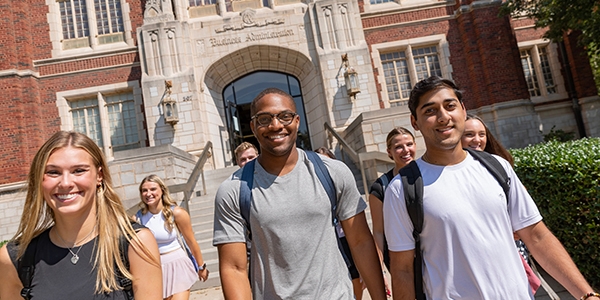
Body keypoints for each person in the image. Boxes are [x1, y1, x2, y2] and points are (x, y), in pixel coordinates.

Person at [383, 75, 599, 300]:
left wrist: (586, 295)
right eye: (430, 111)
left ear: (463, 110)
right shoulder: (402, 189)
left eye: (450, 106)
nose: (443, 117)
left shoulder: (498, 167)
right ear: (415, 122)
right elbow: (403, 270)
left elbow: (537, 237)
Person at [213, 88, 386, 299]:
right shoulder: (233, 190)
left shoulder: (332, 172)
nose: (276, 125)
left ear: (296, 121)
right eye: (264, 119)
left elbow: (360, 242)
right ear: (253, 126)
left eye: (284, 116)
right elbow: (234, 268)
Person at [0, 131, 162, 299]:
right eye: (53, 172)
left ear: (99, 176)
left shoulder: (135, 243)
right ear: (40, 180)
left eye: (78, 170)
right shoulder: (16, 259)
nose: (66, 183)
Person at [136, 174, 209, 300]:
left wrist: (201, 266)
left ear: (162, 190)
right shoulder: (138, 218)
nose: (148, 193)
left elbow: (191, 241)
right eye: (144, 190)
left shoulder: (177, 213)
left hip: (178, 265)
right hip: (155, 269)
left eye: (153, 189)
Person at [368, 126, 417, 297]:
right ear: (389, 152)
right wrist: (380, 272)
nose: (405, 150)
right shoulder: (380, 187)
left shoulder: (427, 175)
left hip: (429, 254)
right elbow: (379, 232)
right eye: (398, 147)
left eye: (409, 144)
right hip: (399, 260)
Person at [315, 147, 364, 300]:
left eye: (327, 162)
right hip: (326, 242)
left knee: (355, 279)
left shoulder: (343, 185)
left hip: (345, 239)